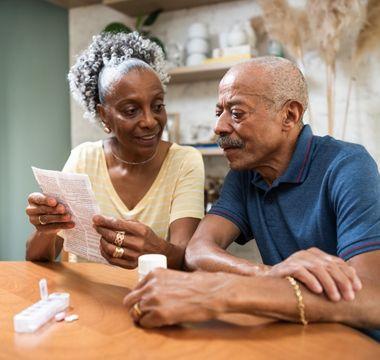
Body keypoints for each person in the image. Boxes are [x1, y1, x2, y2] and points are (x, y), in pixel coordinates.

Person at [124, 57, 380, 339]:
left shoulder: (348, 165)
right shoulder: (246, 173)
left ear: (290, 116)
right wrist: (268, 274)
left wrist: (222, 291)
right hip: (296, 335)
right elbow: (197, 251)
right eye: (219, 112)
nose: (219, 127)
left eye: (236, 113)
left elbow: (372, 297)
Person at [25, 32, 205, 269]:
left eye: (158, 106)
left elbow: (186, 258)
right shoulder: (83, 159)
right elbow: (36, 258)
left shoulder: (184, 161)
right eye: (131, 110)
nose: (150, 121)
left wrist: (156, 250)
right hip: (84, 298)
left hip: (150, 298)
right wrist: (46, 229)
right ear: (104, 116)